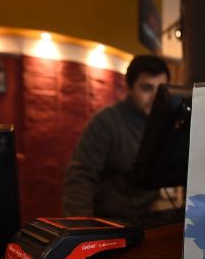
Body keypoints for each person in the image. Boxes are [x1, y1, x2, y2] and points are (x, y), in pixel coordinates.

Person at [63, 55, 170, 218]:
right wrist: (81, 231)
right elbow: (80, 178)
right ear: (129, 88)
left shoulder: (167, 121)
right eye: (147, 88)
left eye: (161, 89)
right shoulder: (104, 122)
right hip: (109, 221)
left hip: (150, 218)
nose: (156, 97)